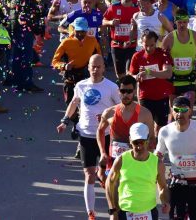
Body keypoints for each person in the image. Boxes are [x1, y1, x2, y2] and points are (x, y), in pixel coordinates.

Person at [56, 55, 120, 220]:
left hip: (106, 136)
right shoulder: (81, 85)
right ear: (89, 67)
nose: (96, 70)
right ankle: (90, 212)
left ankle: (114, 208)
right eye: (93, 67)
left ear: (104, 68)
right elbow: (74, 103)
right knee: (89, 174)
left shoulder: (111, 87)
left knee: (109, 175)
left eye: (99, 67)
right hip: (86, 135)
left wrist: (108, 117)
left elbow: (120, 107)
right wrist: (65, 121)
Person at [108, 122, 170, 219]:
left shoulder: (157, 163)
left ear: (148, 140)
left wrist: (165, 202)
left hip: (149, 212)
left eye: (142, 142)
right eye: (135, 142)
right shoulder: (121, 160)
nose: (139, 146)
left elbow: (162, 187)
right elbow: (110, 184)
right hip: (125, 211)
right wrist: (112, 210)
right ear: (130, 140)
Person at [96, 75, 154, 176]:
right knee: (112, 190)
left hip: (136, 161)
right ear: (118, 91)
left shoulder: (145, 113)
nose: (126, 95)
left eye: (129, 91)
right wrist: (102, 152)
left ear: (134, 91)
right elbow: (100, 131)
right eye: (123, 91)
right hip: (114, 161)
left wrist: (148, 160)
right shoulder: (109, 113)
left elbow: (152, 139)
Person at [161, 9, 196, 120]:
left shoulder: (195, 35)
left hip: (189, 78)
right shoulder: (170, 38)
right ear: (175, 22)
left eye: (184, 22)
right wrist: (167, 64)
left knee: (188, 111)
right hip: (174, 80)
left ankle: (188, 134)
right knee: (174, 113)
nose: (182, 25)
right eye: (180, 22)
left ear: (188, 22)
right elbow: (161, 56)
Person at [129, 30, 173, 136]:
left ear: (156, 42)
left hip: (161, 96)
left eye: (152, 45)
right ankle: (149, 149)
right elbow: (131, 74)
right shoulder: (137, 56)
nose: (149, 48)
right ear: (141, 43)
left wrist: (149, 71)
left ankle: (157, 150)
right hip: (145, 97)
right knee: (145, 127)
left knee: (160, 127)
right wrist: (137, 76)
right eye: (146, 45)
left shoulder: (162, 54)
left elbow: (168, 73)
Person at [52, 17, 102, 107]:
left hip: (86, 75)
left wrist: (98, 70)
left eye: (83, 31)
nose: (80, 34)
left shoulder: (92, 41)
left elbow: (99, 57)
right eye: (78, 31)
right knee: (70, 103)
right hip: (71, 75)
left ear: (87, 30)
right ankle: (74, 119)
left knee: (87, 102)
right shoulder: (66, 42)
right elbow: (55, 61)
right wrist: (64, 66)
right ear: (74, 29)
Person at [103, 0, 139, 79]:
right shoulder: (114, 7)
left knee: (129, 72)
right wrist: (111, 23)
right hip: (116, 45)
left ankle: (129, 92)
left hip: (132, 45)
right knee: (120, 74)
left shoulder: (137, 9)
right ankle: (122, 92)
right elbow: (103, 21)